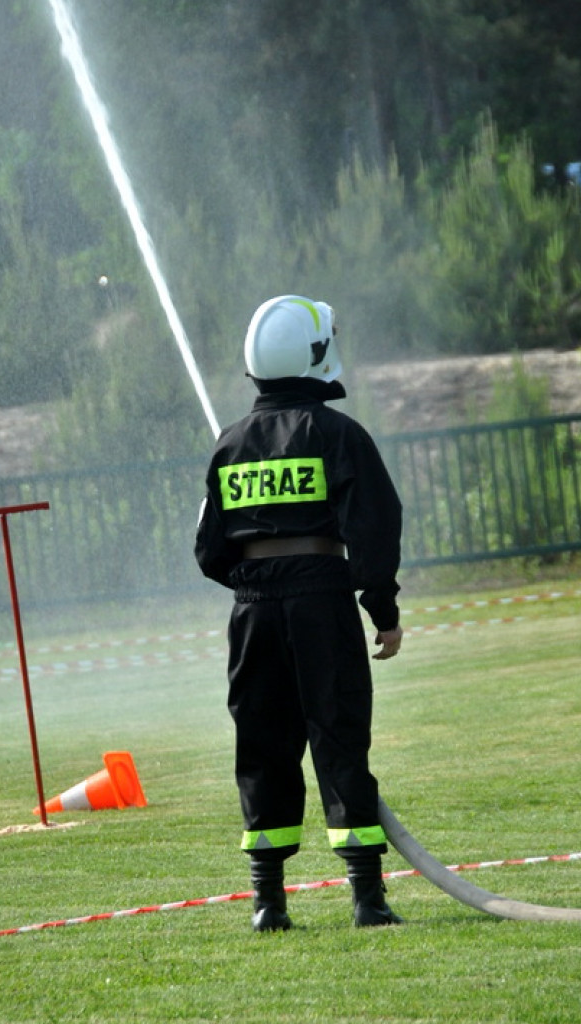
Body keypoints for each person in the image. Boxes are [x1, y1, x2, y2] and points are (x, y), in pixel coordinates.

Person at [194, 294, 404, 931]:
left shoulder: (231, 443)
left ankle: (268, 904)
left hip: (252, 616)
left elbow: (208, 550)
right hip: (321, 608)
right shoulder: (338, 435)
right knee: (339, 739)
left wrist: (257, 584)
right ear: (315, 355)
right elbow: (374, 530)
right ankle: (367, 900)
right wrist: (382, 609)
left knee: (262, 748)